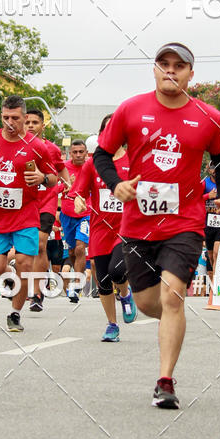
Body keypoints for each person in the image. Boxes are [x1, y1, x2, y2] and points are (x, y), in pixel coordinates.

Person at [94, 43, 220, 409]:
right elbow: (101, 154)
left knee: (172, 296)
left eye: (179, 66)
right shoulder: (131, 109)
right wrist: (116, 184)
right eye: (164, 64)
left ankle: (165, 381)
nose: (170, 71)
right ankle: (173, 317)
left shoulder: (208, 116)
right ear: (154, 70)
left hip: (185, 222)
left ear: (191, 74)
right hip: (138, 225)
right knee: (148, 303)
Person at [0, 95, 58, 332]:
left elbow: (53, 177)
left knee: (24, 264)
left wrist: (42, 178)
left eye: (15, 118)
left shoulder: (37, 146)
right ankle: (12, 281)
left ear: (24, 118)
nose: (10, 122)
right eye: (6, 117)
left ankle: (15, 314)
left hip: (26, 216)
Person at [72, 113, 137, 342]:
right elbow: (79, 192)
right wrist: (79, 201)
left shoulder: (134, 160)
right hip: (100, 228)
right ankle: (112, 325)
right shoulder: (93, 163)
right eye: (108, 129)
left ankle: (126, 293)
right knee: (104, 279)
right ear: (102, 134)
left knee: (118, 270)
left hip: (127, 228)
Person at [24, 108, 70, 311]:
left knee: (41, 244)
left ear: (43, 126)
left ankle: (38, 292)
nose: (31, 125)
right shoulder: (17, 148)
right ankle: (27, 285)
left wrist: (69, 187)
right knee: (28, 247)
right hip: (25, 203)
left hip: (47, 201)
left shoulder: (51, 148)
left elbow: (61, 168)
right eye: (27, 122)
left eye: (35, 122)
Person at [60, 140, 91, 303]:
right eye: (75, 152)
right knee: (72, 252)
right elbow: (53, 187)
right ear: (70, 153)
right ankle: (77, 274)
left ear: (86, 153)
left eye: (81, 152)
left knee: (80, 248)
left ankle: (77, 285)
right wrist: (66, 186)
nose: (78, 155)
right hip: (67, 215)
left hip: (86, 214)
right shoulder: (63, 168)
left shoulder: (91, 167)